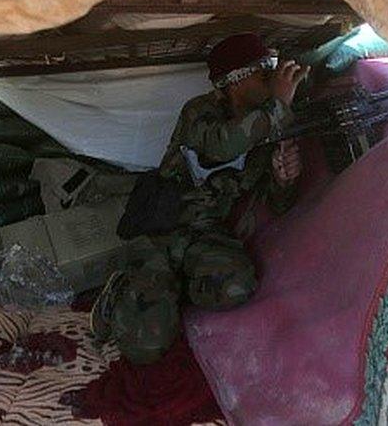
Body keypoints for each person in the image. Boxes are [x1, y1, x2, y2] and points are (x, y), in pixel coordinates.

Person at [91, 33, 310, 364]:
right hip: (160, 229)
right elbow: (221, 144)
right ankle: (123, 287)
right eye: (263, 69)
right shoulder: (200, 112)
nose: (272, 77)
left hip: (206, 233)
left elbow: (276, 203)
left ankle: (169, 288)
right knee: (145, 349)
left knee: (236, 287)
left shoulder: (267, 127)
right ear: (233, 81)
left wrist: (284, 179)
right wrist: (279, 105)